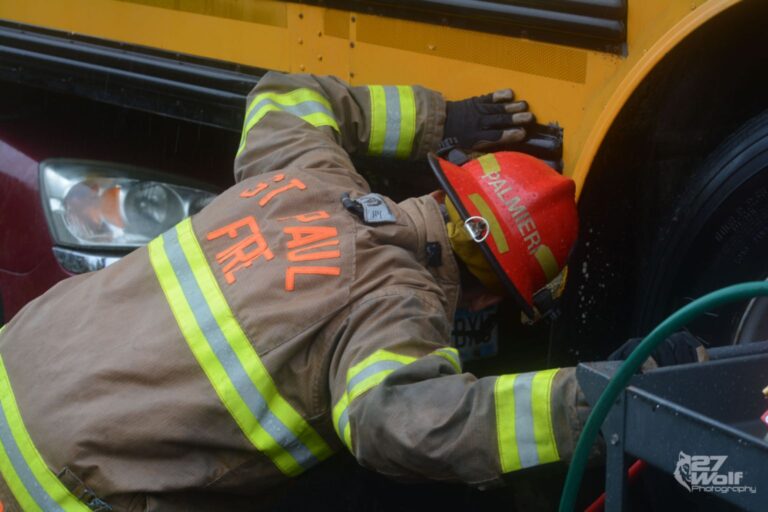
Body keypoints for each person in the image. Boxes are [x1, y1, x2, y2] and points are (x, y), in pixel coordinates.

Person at [0, 73, 702, 512]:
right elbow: (403, 425)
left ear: (445, 188)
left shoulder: (309, 175)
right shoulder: (392, 305)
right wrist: (605, 401)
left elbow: (285, 95)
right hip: (59, 482)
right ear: (491, 298)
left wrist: (442, 119)